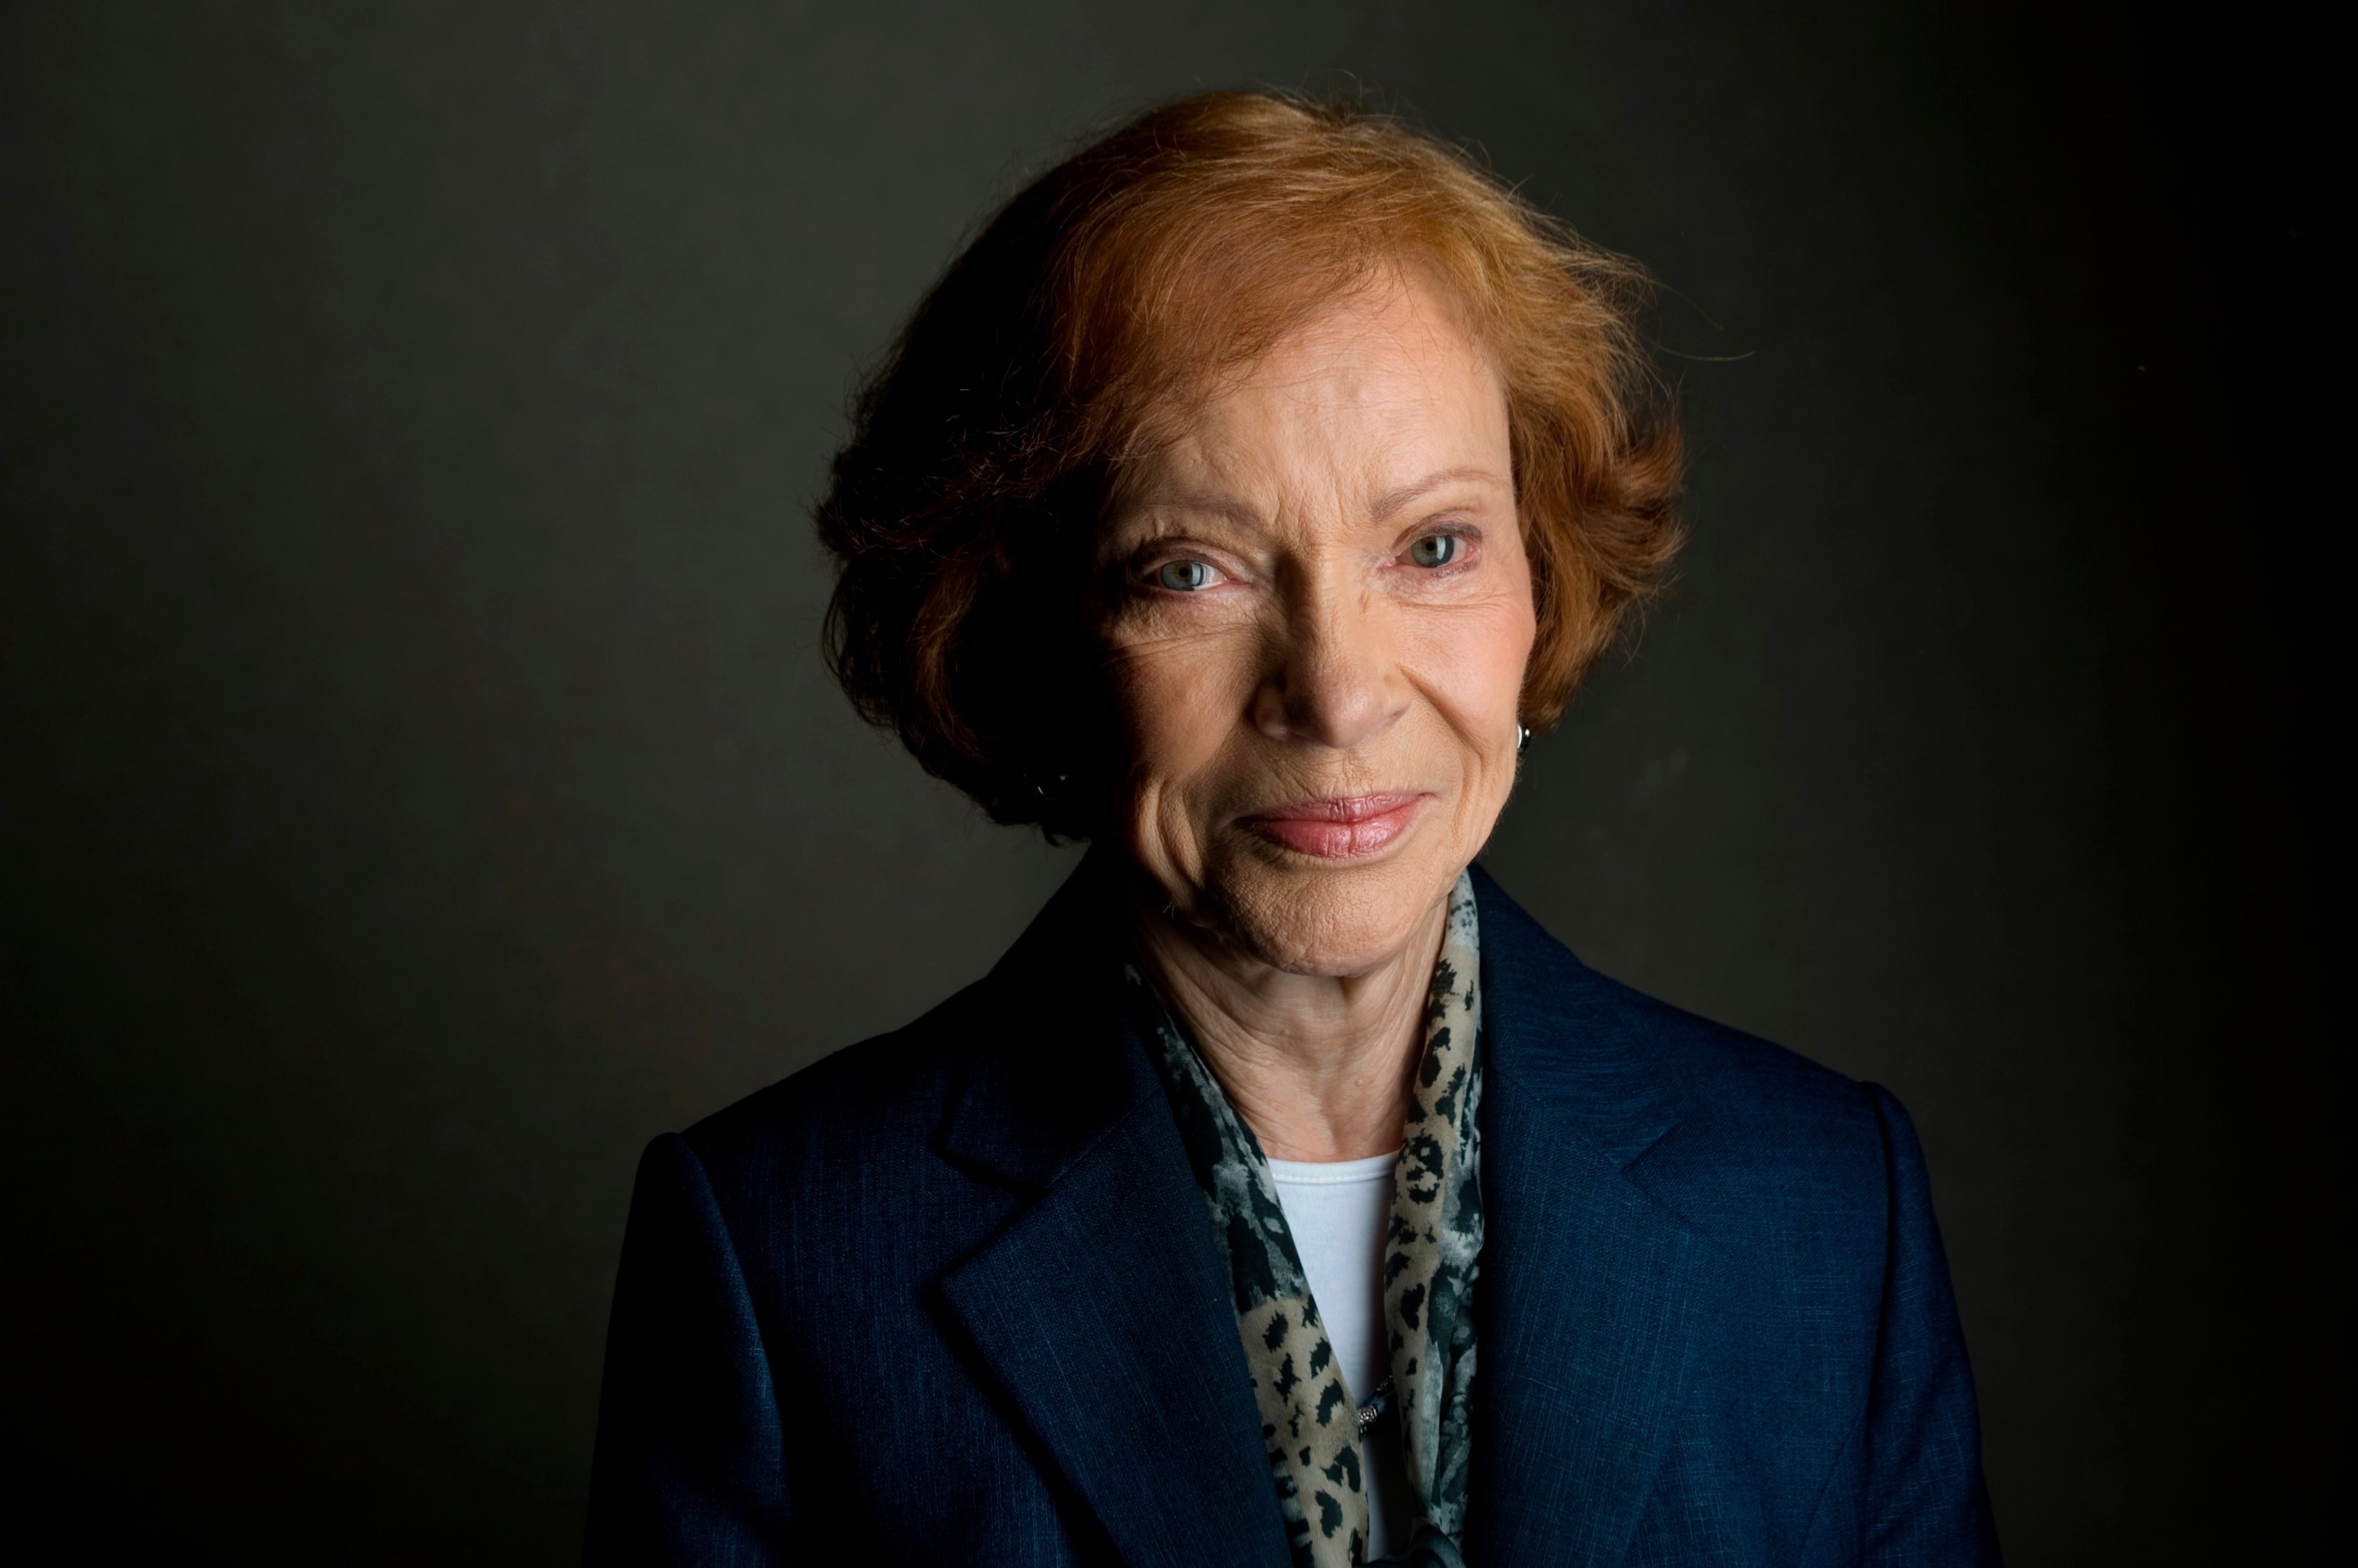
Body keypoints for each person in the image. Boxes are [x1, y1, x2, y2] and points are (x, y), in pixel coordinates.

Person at [585, 91, 1996, 1566]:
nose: (1334, 693)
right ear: (1030, 633)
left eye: (1433, 548)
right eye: (1191, 570)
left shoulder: (1827, 1208)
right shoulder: (783, 1254)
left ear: (1546, 578)